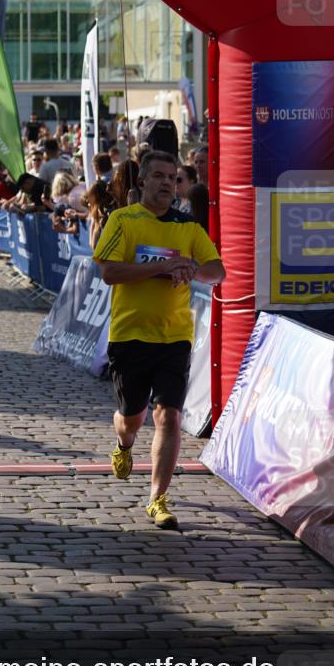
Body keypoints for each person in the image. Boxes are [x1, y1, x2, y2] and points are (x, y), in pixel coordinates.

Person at [94, 150, 226, 531]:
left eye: (174, 177)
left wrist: (192, 268)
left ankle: (158, 499)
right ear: (143, 182)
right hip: (130, 333)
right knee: (131, 418)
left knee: (168, 416)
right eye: (160, 176)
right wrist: (162, 268)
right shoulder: (123, 220)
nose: (168, 182)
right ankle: (123, 445)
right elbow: (109, 272)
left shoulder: (187, 228)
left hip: (175, 336)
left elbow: (219, 272)